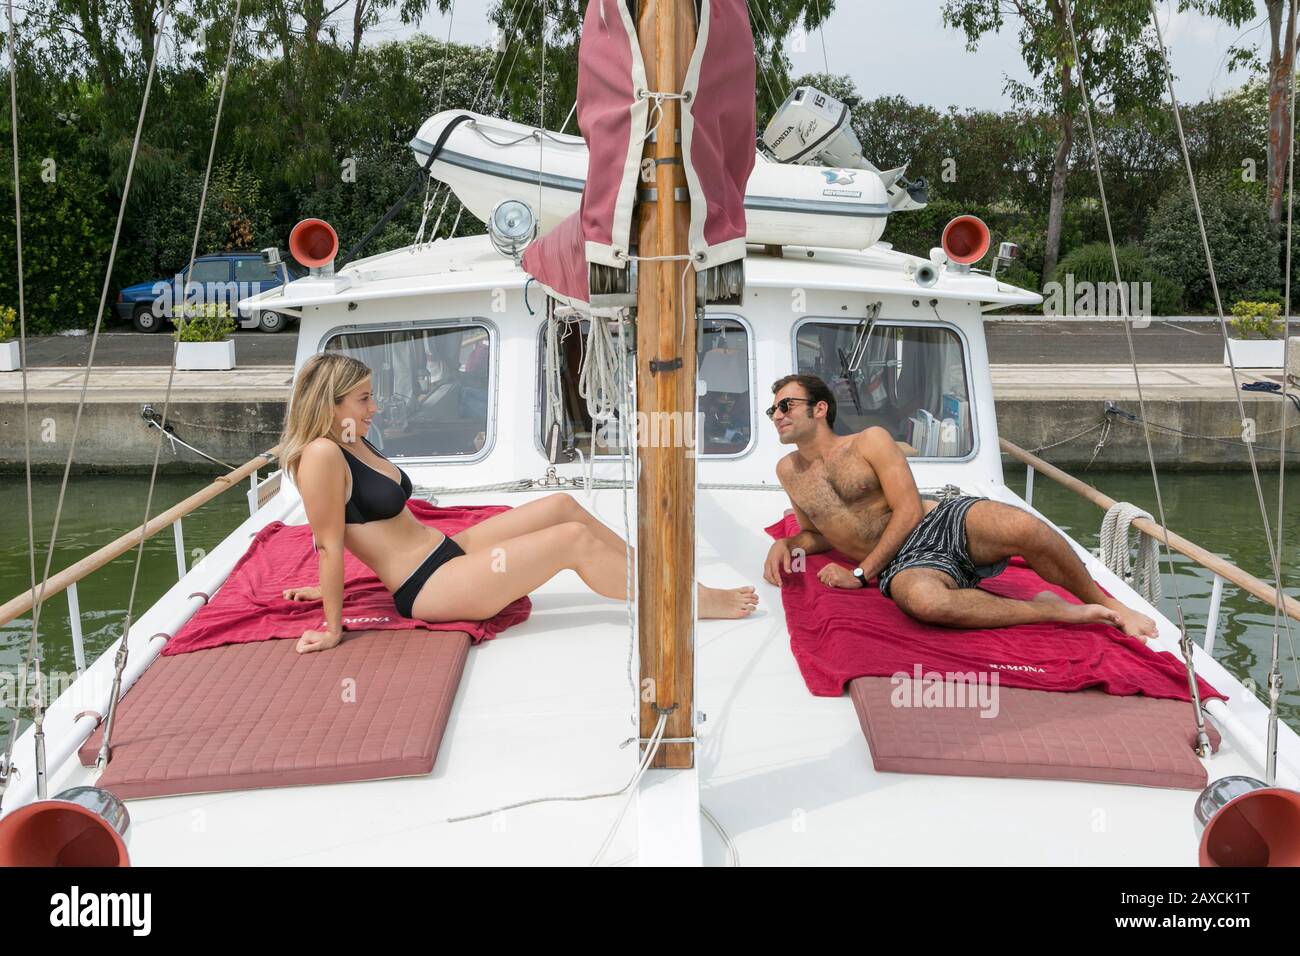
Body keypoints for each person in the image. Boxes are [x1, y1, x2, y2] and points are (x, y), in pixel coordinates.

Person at [280, 353, 758, 653]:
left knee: (561, 506)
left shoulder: (351, 440)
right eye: (364, 400)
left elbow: (362, 525)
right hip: (428, 587)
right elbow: (328, 544)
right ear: (332, 402)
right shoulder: (322, 454)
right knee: (570, 541)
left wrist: (326, 590)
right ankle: (679, 604)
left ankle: (665, 582)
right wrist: (333, 625)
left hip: (445, 551)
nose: (374, 409)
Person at [761, 373, 1157, 641]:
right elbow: (817, 533)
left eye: (786, 406)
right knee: (926, 603)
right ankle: (1052, 611)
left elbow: (910, 510)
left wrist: (861, 573)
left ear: (820, 409)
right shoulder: (788, 471)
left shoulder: (870, 441)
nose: (777, 415)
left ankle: (1105, 601)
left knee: (1023, 526)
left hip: (937, 522)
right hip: (904, 563)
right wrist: (790, 544)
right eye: (774, 410)